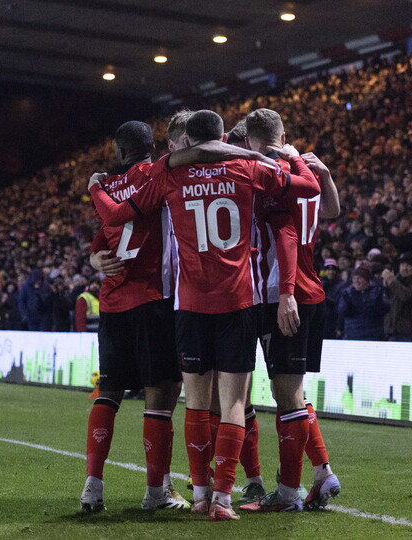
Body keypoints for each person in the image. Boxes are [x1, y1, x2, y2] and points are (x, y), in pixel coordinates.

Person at [88, 109, 321, 521]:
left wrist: (96, 188)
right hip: (238, 301)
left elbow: (115, 216)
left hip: (188, 303)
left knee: (195, 402)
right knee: (234, 403)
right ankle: (223, 499)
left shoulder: (167, 174)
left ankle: (198, 493)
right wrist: (292, 155)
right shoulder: (247, 167)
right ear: (223, 136)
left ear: (187, 142)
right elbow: (306, 187)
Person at [80, 119, 190, 513]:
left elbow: (101, 239)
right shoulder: (159, 173)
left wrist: (94, 258)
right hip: (152, 299)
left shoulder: (106, 187)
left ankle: (92, 486)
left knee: (108, 392)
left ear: (119, 152)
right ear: (152, 147)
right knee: (161, 393)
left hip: (112, 304)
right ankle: (156, 490)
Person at [240, 108, 341, 512]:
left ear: (252, 140)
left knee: (287, 397)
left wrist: (284, 293)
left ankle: (286, 493)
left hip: (284, 293)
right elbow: (329, 211)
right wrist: (327, 176)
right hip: (310, 289)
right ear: (283, 134)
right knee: (293, 393)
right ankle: (322, 473)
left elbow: (283, 231)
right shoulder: (307, 167)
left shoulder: (271, 176)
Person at [381, 252, 412, 341]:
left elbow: (406, 296)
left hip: (410, 332)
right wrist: (386, 286)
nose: (404, 268)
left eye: (408, 265)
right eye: (402, 265)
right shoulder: (397, 279)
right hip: (393, 329)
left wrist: (391, 280)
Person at [337, 265, 387, 341]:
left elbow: (383, 309)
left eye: (359, 278)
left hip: (374, 334)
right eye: (354, 278)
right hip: (352, 334)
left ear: (367, 280)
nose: (356, 281)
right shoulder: (346, 293)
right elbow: (342, 312)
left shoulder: (377, 291)